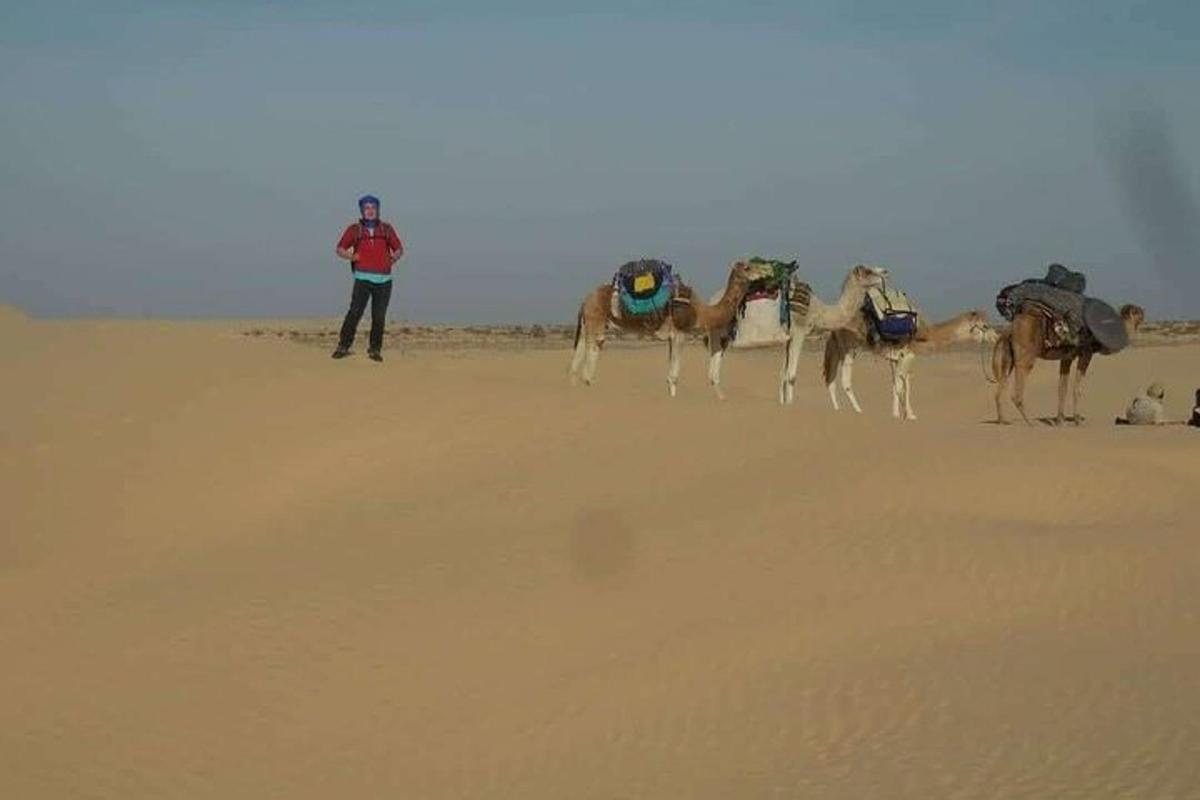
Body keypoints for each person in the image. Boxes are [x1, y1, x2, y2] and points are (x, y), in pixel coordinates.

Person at [332, 195, 404, 361]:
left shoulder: (386, 229)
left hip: (384, 281)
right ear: (362, 210)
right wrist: (352, 257)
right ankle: (343, 346)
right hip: (362, 279)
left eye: (373, 208)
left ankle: (375, 349)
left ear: (378, 209)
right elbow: (340, 248)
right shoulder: (354, 229)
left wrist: (393, 259)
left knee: (378, 316)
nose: (370, 211)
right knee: (355, 313)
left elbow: (399, 249)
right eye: (367, 208)